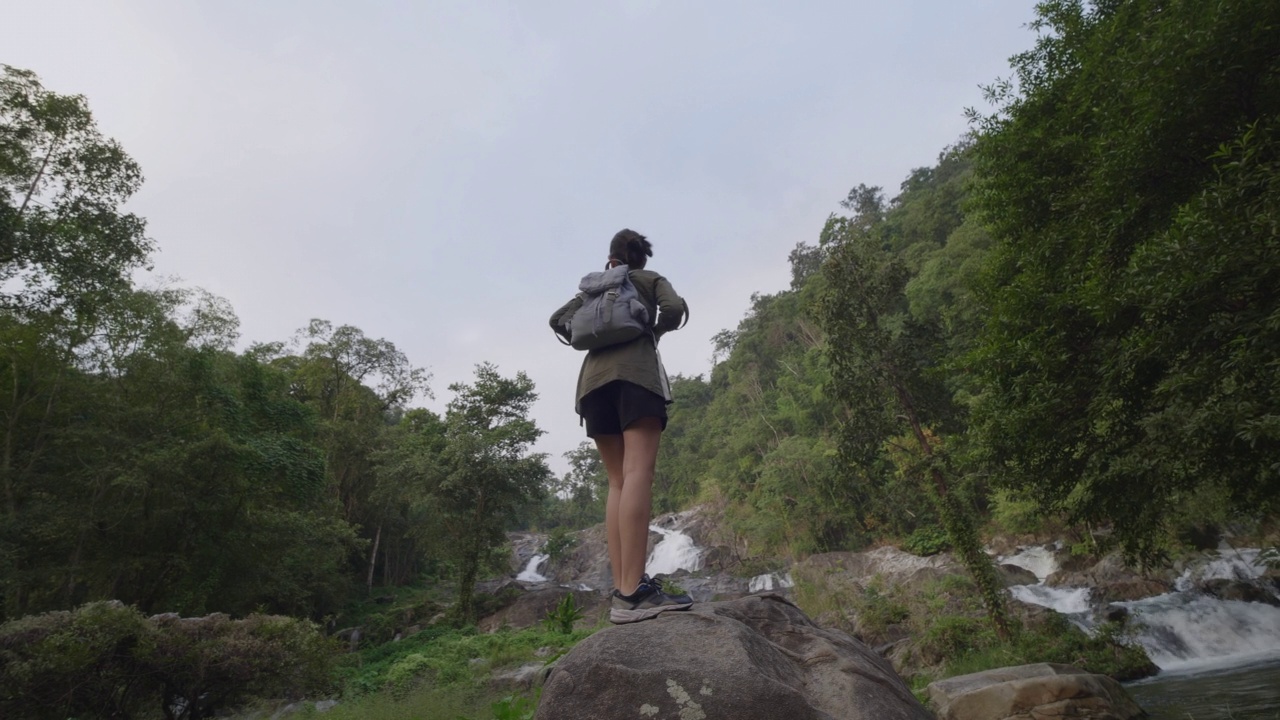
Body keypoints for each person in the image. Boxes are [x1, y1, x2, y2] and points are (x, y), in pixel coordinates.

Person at [549, 228, 692, 624]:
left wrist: (597, 334)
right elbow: (675, 309)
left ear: (610, 258)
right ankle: (632, 593)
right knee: (637, 474)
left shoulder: (590, 292)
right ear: (639, 259)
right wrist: (652, 331)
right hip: (636, 378)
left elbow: (557, 320)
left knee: (617, 480)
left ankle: (622, 588)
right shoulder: (648, 280)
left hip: (592, 387)